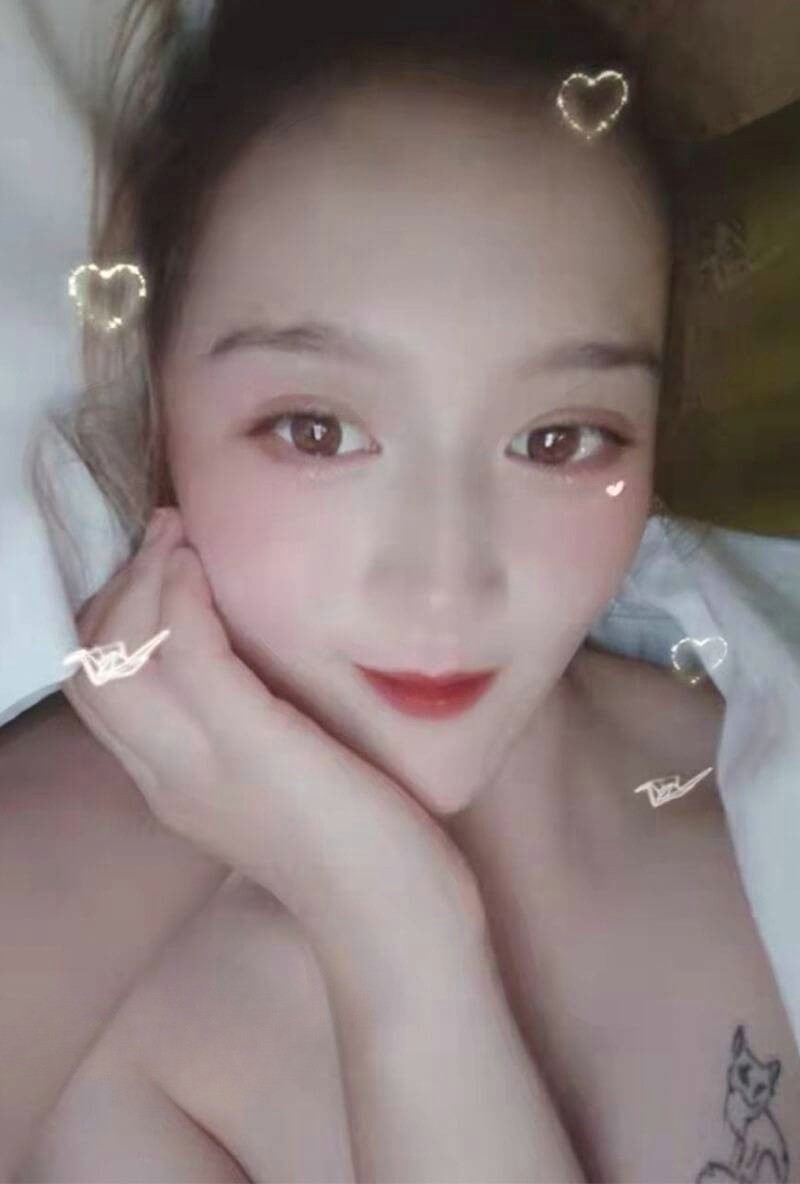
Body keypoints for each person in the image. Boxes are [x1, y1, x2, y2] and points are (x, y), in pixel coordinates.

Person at [3, 0, 799, 1179]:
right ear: (156, 408)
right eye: (316, 428)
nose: (443, 580)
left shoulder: (759, 786)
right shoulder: (133, 1058)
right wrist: (393, 928)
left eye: (556, 439)